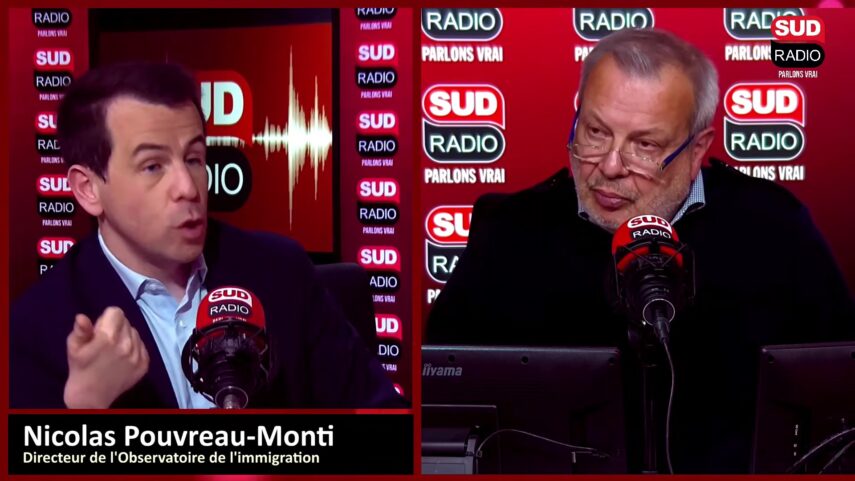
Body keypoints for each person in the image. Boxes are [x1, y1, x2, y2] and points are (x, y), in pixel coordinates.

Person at [426, 29, 855, 473]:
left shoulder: (775, 228)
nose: (610, 166)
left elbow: (840, 396)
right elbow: (446, 404)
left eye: (645, 146)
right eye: (596, 132)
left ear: (697, 149)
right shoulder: (509, 232)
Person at [11, 61, 404, 409]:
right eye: (153, 166)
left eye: (194, 158)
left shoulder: (281, 272)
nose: (188, 187)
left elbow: (383, 425)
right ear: (88, 189)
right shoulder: (38, 326)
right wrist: (85, 411)